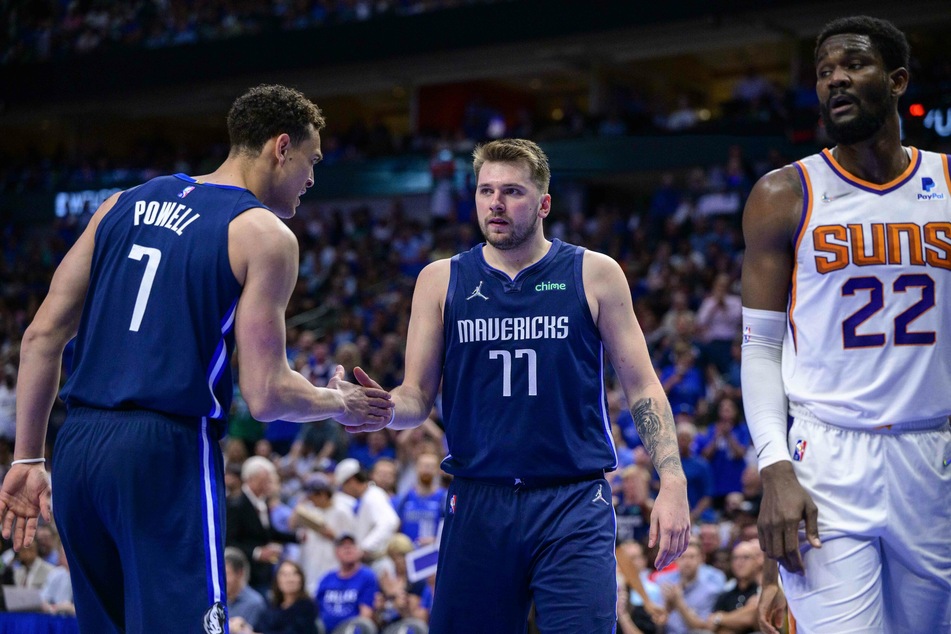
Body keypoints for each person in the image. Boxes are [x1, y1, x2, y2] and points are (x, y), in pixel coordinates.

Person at [0, 84, 394, 633]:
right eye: (312, 161)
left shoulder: (120, 203)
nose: (311, 180)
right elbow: (266, 394)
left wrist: (25, 459)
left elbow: (40, 337)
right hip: (165, 449)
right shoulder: (264, 234)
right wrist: (338, 400)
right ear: (282, 147)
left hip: (77, 449)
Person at [344, 138, 690, 633]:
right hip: (479, 500)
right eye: (486, 191)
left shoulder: (594, 273)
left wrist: (672, 480)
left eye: (512, 191)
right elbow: (416, 398)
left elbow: (643, 387)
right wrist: (377, 409)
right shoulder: (440, 280)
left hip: (571, 501)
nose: (496, 204)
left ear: (544, 203)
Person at [740, 16, 951, 634]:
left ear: (897, 80)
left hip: (933, 454)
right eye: (825, 71)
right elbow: (759, 347)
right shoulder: (784, 193)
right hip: (824, 459)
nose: (836, 79)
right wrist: (775, 466)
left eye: (853, 65)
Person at [316, 534, 379, 634]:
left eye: (351, 545)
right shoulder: (326, 578)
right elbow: (316, 611)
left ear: (358, 551)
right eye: (342, 546)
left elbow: (365, 618)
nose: (347, 548)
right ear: (336, 553)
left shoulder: (367, 577)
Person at [257, 560, 319, 634]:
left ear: (301, 579)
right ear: (277, 581)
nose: (289, 579)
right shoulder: (272, 606)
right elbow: (259, 628)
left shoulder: (307, 607)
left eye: (294, 574)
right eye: (284, 575)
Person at [224, 547, 268, 632]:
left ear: (239, 573)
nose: (222, 580)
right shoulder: (215, 599)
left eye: (226, 574)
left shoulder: (254, 603)